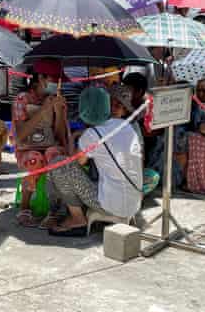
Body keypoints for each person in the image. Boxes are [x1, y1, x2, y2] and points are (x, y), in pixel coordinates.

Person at [47, 86, 142, 236]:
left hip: (112, 206)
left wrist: (73, 138)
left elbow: (75, 164)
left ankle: (77, 219)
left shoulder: (91, 135)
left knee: (58, 165)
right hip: (134, 202)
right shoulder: (127, 127)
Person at [12, 59, 69, 228]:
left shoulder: (57, 99)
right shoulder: (22, 100)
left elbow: (59, 137)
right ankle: (25, 207)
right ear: (40, 78)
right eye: (53, 79)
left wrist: (58, 113)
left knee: (55, 155)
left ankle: (54, 210)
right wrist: (43, 110)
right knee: (34, 158)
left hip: (50, 146)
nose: (56, 84)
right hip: (27, 149)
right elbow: (21, 135)